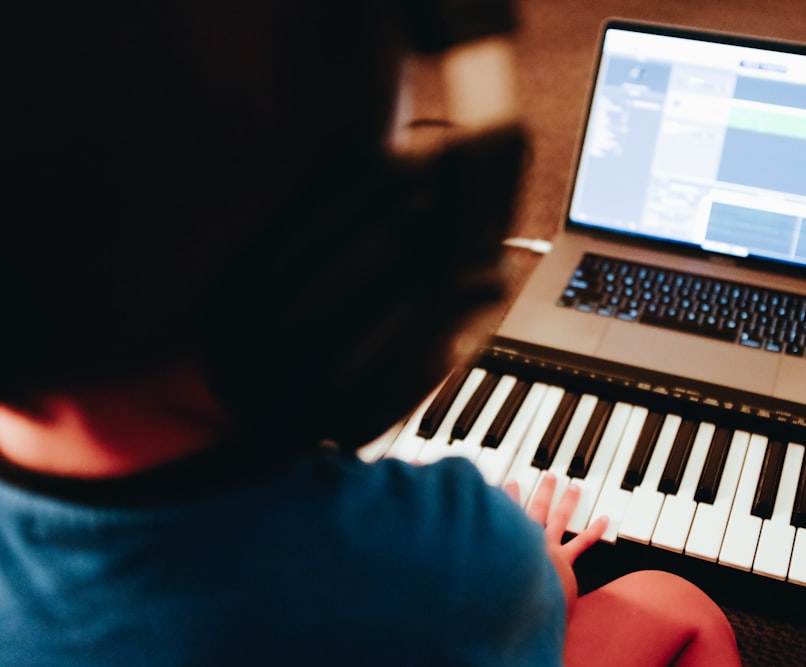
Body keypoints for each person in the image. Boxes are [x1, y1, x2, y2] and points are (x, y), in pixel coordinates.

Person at [0, 1, 741, 665]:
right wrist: (543, 575)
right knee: (678, 606)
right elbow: (517, 615)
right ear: (347, 274)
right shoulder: (454, 558)